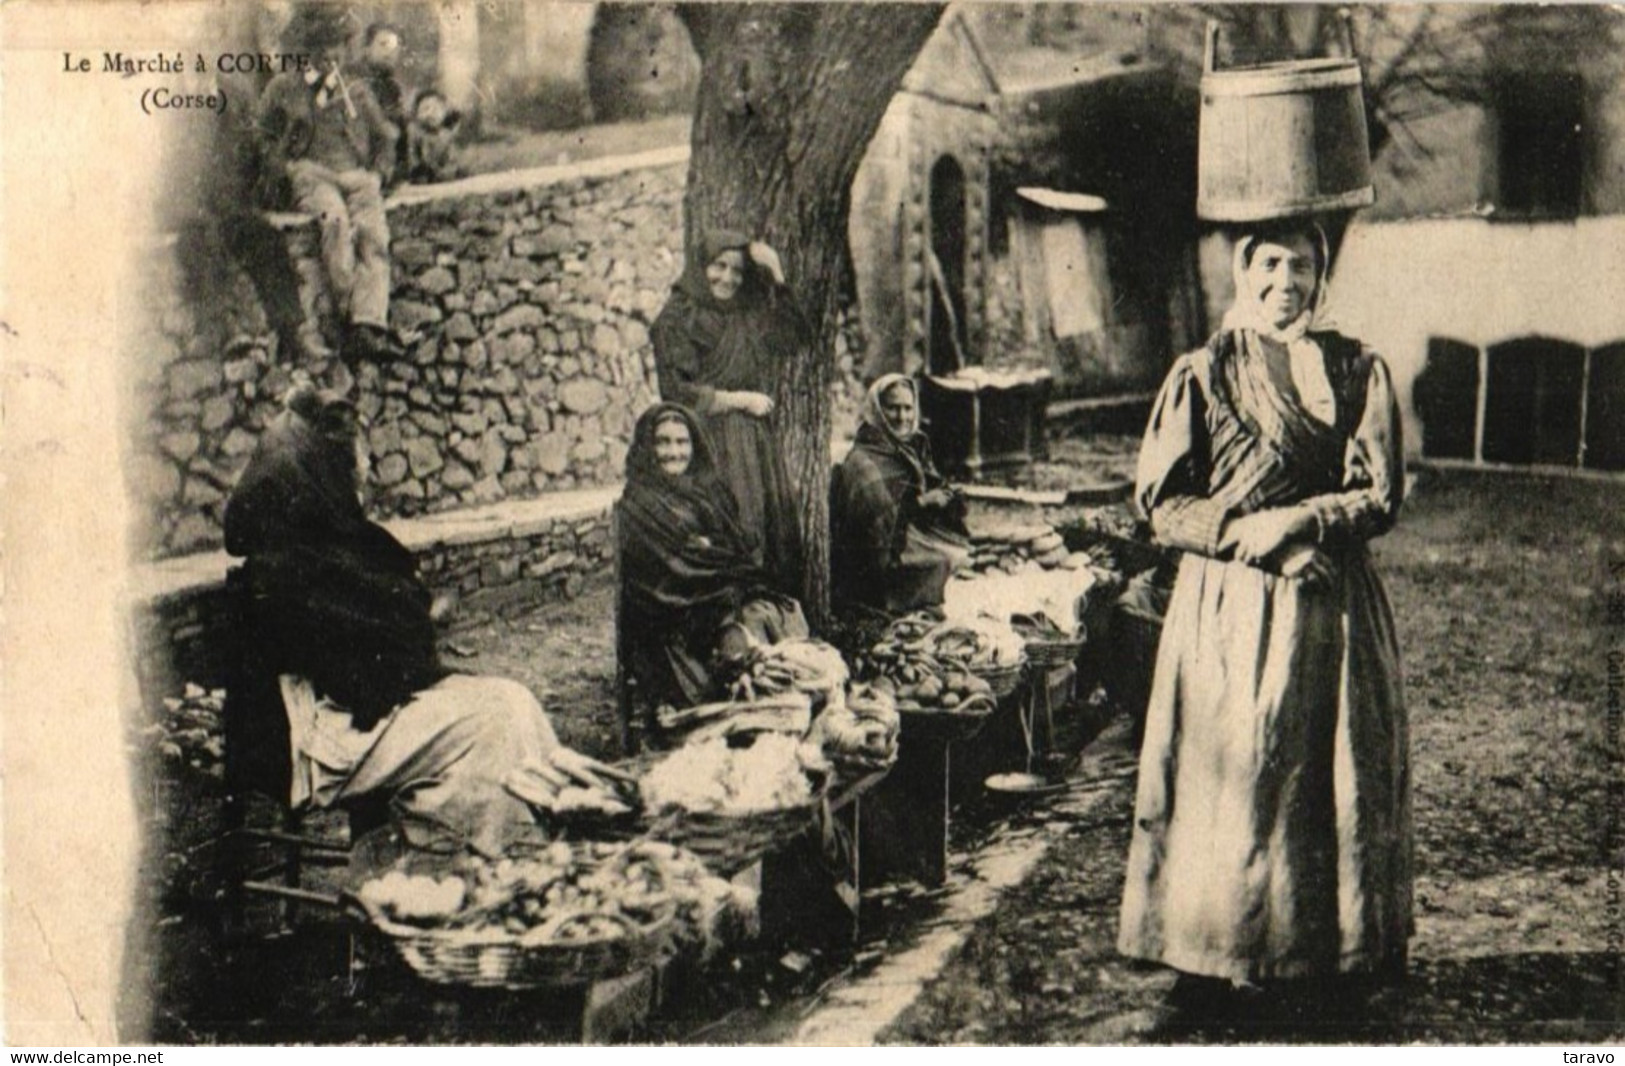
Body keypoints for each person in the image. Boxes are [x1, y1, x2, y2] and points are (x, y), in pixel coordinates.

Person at [1117, 220, 1411, 1001]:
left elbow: (1379, 494)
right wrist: (1253, 537)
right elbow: (1160, 501)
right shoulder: (1203, 371)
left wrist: (1304, 521)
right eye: (1271, 264)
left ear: (1320, 277)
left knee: (1326, 773)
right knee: (1233, 773)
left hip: (1330, 609)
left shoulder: (1354, 369)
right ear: (1244, 271)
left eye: (1303, 266)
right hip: (1227, 608)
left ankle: (1331, 953)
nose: (1287, 281)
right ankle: (1212, 949)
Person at [223, 382, 560, 856]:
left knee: (515, 699)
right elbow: (359, 661)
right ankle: (463, 860)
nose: (364, 475)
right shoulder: (290, 561)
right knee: (495, 721)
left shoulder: (327, 540)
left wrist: (410, 623)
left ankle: (527, 844)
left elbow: (378, 636)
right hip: (320, 734)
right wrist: (418, 622)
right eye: (354, 465)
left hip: (359, 708)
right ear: (323, 470)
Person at [616, 403, 806, 736]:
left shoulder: (708, 491)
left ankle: (775, 706)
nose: (674, 452)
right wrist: (708, 555)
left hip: (715, 595)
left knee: (773, 619)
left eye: (682, 442)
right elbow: (668, 568)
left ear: (695, 445)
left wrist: (708, 550)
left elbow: (737, 546)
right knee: (712, 683)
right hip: (668, 612)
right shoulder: (639, 503)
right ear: (648, 446)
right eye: (663, 442)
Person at [651, 229, 806, 596]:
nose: (727, 278)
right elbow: (676, 392)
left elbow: (796, 337)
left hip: (753, 446)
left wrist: (778, 275)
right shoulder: (678, 316)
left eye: (737, 271)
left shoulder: (746, 314)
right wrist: (738, 400)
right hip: (703, 444)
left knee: (766, 536)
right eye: (718, 266)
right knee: (725, 533)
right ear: (701, 266)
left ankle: (760, 624)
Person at [257, 10, 402, 363]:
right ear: (306, 51)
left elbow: (386, 137)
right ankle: (351, 313)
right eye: (322, 49)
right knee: (334, 223)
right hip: (311, 173)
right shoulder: (285, 88)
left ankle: (367, 322)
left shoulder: (355, 89)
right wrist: (286, 168)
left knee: (373, 231)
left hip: (354, 173)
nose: (331, 56)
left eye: (338, 48)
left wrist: (379, 173)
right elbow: (262, 136)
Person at [829, 373, 971, 617]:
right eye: (893, 408)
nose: (902, 417)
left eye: (908, 408)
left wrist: (947, 496)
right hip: (873, 558)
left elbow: (929, 483)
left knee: (956, 555)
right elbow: (874, 523)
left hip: (903, 535)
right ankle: (897, 603)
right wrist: (922, 501)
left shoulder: (910, 446)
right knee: (941, 562)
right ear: (877, 410)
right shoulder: (863, 461)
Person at [353, 22, 408, 187]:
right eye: (383, 44)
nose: (390, 52)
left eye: (395, 46)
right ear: (366, 49)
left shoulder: (392, 87)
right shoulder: (354, 80)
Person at [404, 90, 465, 186]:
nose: (431, 114)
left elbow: (451, 156)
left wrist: (448, 169)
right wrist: (416, 168)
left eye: (436, 109)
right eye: (425, 109)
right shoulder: (415, 133)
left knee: (452, 171)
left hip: (440, 171)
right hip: (422, 171)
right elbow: (412, 155)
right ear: (417, 113)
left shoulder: (445, 135)